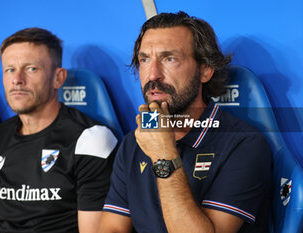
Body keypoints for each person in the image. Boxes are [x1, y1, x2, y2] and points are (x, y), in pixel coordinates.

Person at [99, 11, 272, 233]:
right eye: (144, 59)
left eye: (169, 59)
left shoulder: (243, 144)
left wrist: (164, 155)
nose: (153, 75)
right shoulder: (134, 141)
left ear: (205, 70)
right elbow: (112, 228)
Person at [0, 27, 117, 232]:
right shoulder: (0, 136)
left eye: (31, 68)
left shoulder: (91, 140)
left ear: (58, 78)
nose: (17, 79)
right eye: (9, 69)